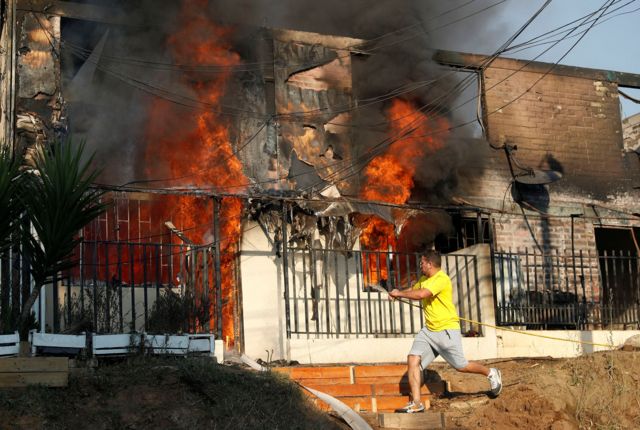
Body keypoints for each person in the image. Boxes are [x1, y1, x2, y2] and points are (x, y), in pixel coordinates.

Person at [389, 250, 502, 413]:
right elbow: (414, 290)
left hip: (446, 330)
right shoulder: (423, 279)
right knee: (413, 359)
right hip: (428, 331)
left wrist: (400, 293)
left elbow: (422, 294)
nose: (420, 265)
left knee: (461, 366)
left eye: (422, 262)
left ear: (429, 263)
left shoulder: (441, 279)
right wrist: (398, 293)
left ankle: (491, 373)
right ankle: (416, 403)